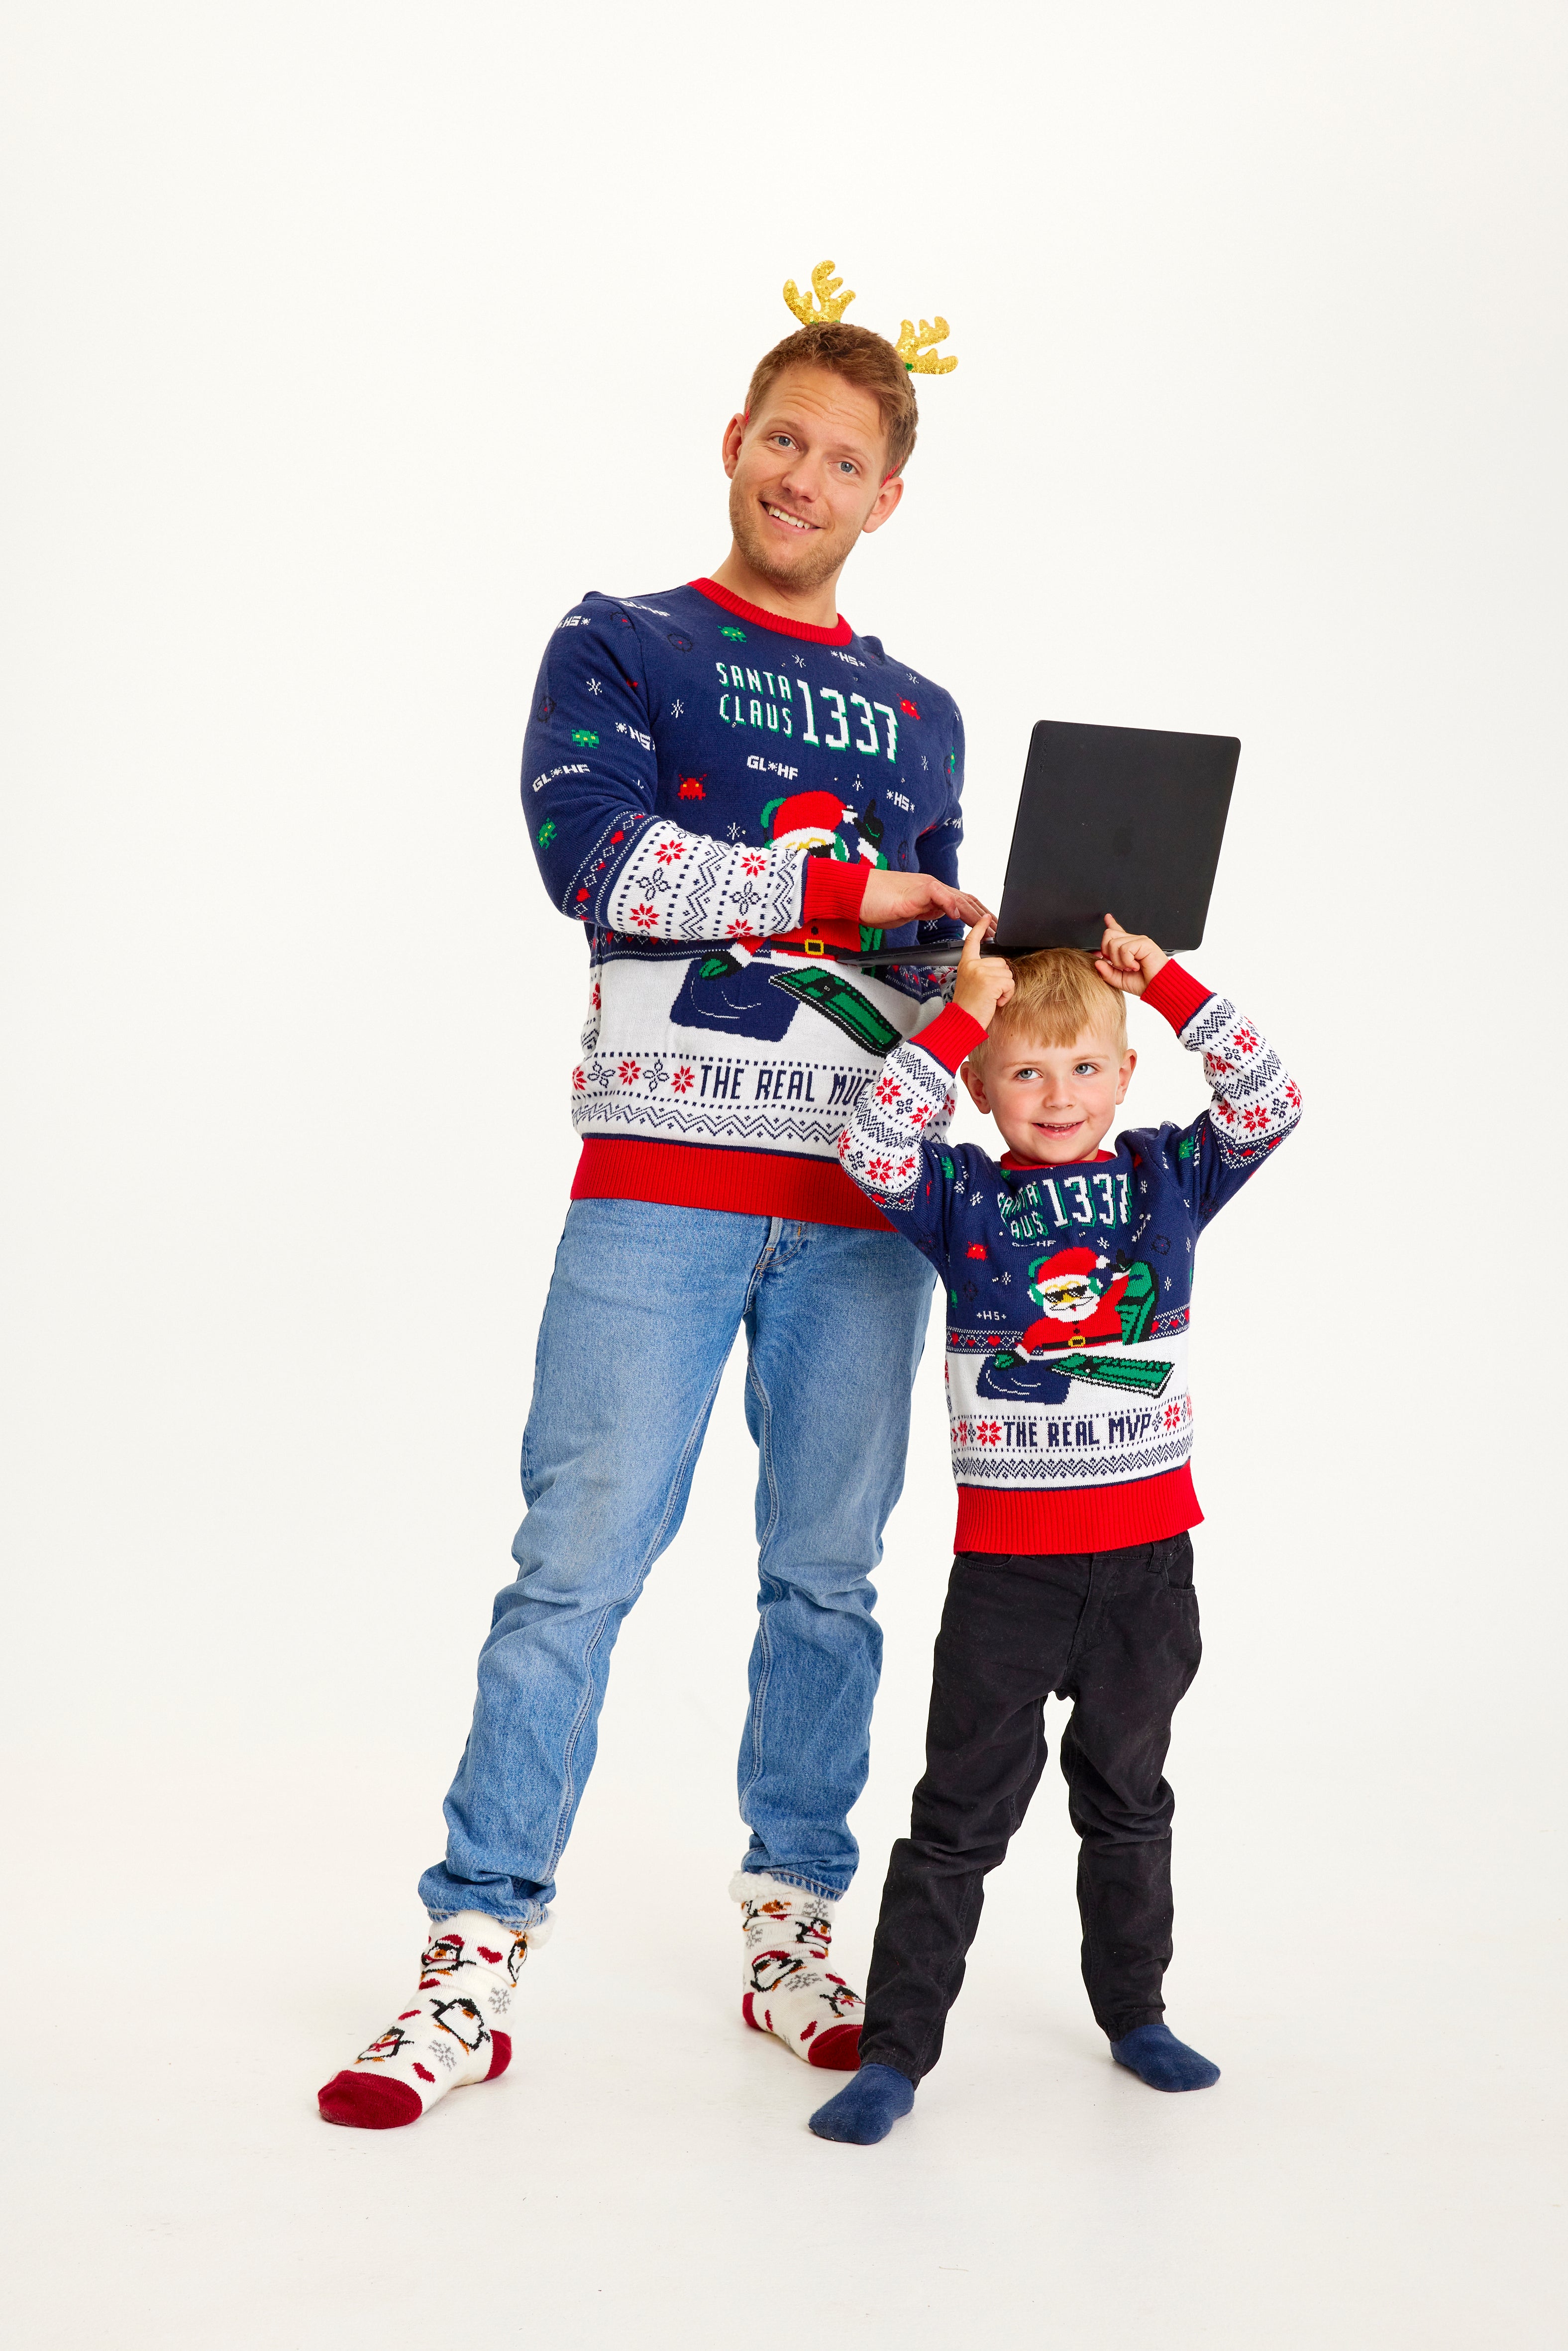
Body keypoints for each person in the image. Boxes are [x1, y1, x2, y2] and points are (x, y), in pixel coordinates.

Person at [318, 295, 990, 2129]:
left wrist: (1024, 974)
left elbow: (920, 972)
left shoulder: (924, 712)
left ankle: (793, 1924)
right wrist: (856, 899)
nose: (807, 475)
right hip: (661, 1191)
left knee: (828, 1580)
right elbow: (598, 859)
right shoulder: (617, 641)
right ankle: (473, 1957)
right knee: (574, 1569)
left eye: (847, 459)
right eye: (785, 437)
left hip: (865, 1216)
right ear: (732, 440)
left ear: (888, 498)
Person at [809, 914, 1302, 2144]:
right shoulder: (957, 1191)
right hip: (1009, 1578)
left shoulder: (1164, 1177)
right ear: (980, 1083)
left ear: (1127, 1075)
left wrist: (1167, 984)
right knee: (958, 1817)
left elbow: (1271, 1096)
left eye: (1085, 1066)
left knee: (1127, 1796)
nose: (1058, 1094)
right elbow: (868, 1139)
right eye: (1025, 1070)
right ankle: (896, 2053)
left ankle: (1134, 2009)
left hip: (1147, 1568)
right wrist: (964, 1010)